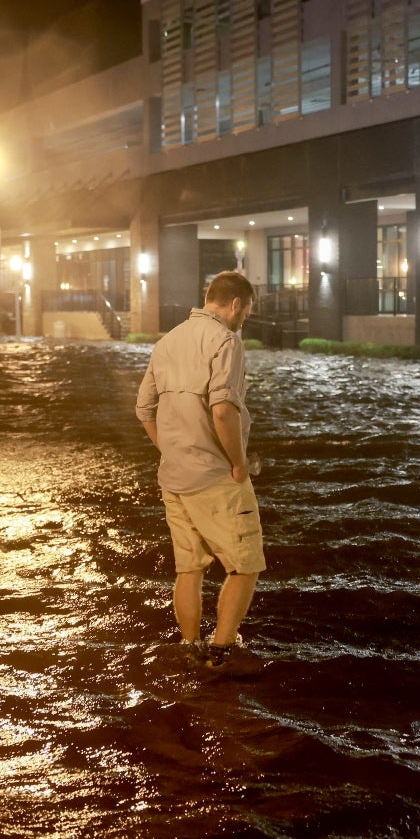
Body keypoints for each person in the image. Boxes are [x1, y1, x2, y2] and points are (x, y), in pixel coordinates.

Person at [135, 271, 264, 668]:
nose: (244, 320)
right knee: (244, 565)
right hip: (214, 478)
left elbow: (143, 410)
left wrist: (171, 449)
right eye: (247, 312)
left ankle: (190, 646)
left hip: (174, 478)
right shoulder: (226, 341)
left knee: (189, 569)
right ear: (236, 304)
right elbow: (223, 410)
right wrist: (239, 464)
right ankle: (221, 653)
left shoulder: (167, 341)